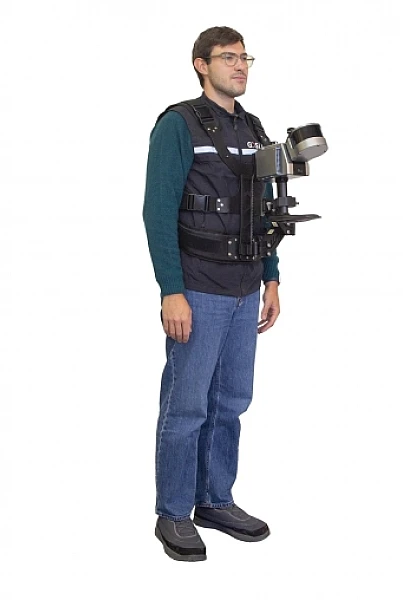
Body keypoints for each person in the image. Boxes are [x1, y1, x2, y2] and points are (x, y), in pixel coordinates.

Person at [142, 25, 281, 562]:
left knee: (231, 403)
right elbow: (157, 212)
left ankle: (215, 500)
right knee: (186, 407)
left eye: (245, 57)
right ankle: (174, 512)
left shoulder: (253, 127)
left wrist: (272, 276)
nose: (240, 65)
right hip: (198, 289)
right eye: (228, 57)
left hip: (246, 289)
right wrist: (170, 291)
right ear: (201, 65)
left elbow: (264, 209)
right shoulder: (178, 125)